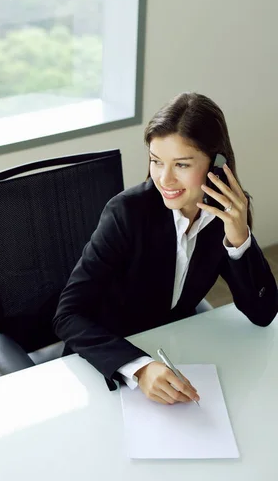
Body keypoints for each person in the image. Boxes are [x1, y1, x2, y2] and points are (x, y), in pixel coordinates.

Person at [53, 92, 278, 405]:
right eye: (156, 161)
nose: (165, 178)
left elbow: (263, 313)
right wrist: (139, 368)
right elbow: (67, 315)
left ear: (217, 164)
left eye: (182, 164)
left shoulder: (225, 214)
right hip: (106, 362)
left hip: (173, 353)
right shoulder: (126, 214)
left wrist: (239, 238)